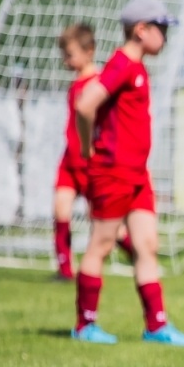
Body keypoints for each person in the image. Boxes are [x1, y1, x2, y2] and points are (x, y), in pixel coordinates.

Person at [70, 0, 184, 346]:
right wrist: (86, 148)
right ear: (142, 30)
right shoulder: (123, 63)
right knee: (102, 243)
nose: (165, 37)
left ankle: (156, 326)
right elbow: (85, 104)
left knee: (146, 244)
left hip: (138, 174)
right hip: (113, 171)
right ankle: (84, 325)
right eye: (162, 29)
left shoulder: (137, 67)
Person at [51, 24, 118, 279]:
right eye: (64, 55)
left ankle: (137, 253)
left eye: (70, 54)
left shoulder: (100, 83)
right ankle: (64, 270)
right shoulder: (75, 84)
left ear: (89, 51)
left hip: (91, 161)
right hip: (70, 159)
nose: (66, 60)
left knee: (104, 222)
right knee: (60, 208)